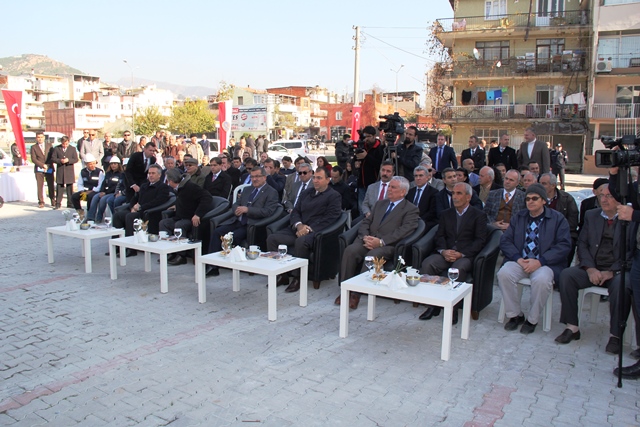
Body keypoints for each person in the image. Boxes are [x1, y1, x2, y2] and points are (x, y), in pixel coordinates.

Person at [555, 184, 635, 354]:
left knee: (622, 285)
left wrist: (612, 272)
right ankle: (572, 327)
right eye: (601, 196)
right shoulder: (592, 216)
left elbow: (631, 252)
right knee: (567, 275)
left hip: (617, 271)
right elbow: (582, 244)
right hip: (593, 267)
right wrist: (590, 268)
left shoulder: (629, 219)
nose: (604, 200)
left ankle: (615, 335)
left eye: (609, 196)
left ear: (619, 199)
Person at [497, 184, 571, 334]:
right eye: (528, 199)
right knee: (503, 274)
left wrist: (540, 261)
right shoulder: (519, 217)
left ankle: (532, 319)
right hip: (521, 261)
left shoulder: (557, 219)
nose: (530, 202)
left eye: (535, 198)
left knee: (542, 280)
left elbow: (564, 246)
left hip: (545, 263)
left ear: (544, 200)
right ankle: (515, 315)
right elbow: (505, 241)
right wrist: (517, 258)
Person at [337, 176, 420, 309]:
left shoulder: (410, 209)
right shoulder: (380, 203)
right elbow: (365, 222)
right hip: (368, 239)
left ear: (403, 192)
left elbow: (404, 231)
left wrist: (381, 242)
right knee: (350, 250)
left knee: (372, 255)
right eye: (389, 186)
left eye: (393, 187)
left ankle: (356, 294)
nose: (389, 189)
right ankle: (345, 290)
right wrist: (365, 237)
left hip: (387, 246)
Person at [418, 182, 487, 323]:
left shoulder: (478, 215)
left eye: (459, 193)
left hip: (465, 255)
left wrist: (461, 254)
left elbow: (479, 241)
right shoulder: (446, 214)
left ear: (468, 197)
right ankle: (432, 305)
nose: (454, 197)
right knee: (428, 264)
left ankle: (453, 309)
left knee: (457, 269)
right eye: (453, 193)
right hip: (446, 252)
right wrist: (443, 251)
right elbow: (440, 236)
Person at [266, 167, 342, 293]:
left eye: (319, 178)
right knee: (272, 239)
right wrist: (299, 225)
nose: (315, 181)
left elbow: (331, 218)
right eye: (314, 177)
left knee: (301, 242)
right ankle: (282, 275)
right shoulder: (307, 192)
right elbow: (296, 211)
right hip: (298, 228)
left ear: (328, 180)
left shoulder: (334, 196)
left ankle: (298, 277)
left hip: (317, 232)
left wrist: (309, 229)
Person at [206, 167, 280, 276]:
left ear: (264, 177)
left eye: (257, 177)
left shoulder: (271, 192)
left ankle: (234, 263)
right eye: (252, 177)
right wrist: (236, 209)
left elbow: (267, 211)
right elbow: (236, 203)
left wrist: (248, 209)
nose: (254, 179)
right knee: (218, 232)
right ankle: (212, 266)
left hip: (252, 224)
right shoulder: (247, 189)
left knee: (233, 236)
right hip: (237, 221)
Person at [112, 164, 172, 256]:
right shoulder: (144, 185)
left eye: (153, 173)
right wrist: (132, 207)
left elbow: (158, 202)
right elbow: (135, 198)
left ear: (159, 175)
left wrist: (140, 207)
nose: (150, 175)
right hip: (136, 209)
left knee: (130, 216)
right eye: (149, 173)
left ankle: (131, 249)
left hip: (147, 212)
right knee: (118, 215)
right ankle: (117, 246)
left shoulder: (163, 187)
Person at [160, 169, 214, 265]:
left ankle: (181, 255)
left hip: (190, 217)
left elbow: (207, 197)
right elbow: (185, 200)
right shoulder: (178, 188)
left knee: (179, 226)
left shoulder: (190, 187)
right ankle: (169, 251)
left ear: (171, 181)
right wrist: (177, 205)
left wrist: (198, 214)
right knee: (164, 223)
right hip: (180, 215)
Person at [539, 173, 579, 266]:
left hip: (562, 233)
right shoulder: (536, 198)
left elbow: (572, 223)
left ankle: (563, 268)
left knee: (570, 241)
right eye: (539, 183)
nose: (540, 186)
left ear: (553, 185)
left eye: (544, 184)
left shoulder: (567, 199)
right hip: (540, 232)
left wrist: (556, 232)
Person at [355, 126, 385, 213]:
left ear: (374, 136)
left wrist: (367, 157)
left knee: (373, 208)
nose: (366, 139)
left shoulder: (379, 148)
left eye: (368, 136)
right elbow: (355, 159)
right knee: (362, 208)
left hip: (373, 182)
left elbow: (380, 164)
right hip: (361, 183)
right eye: (365, 136)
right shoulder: (362, 146)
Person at [87, 156, 124, 223]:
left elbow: (116, 186)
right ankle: (90, 217)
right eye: (112, 164)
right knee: (95, 197)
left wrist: (105, 193)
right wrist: (102, 191)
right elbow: (104, 183)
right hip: (105, 192)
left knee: (103, 200)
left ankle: (99, 218)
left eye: (115, 164)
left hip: (112, 192)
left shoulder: (121, 174)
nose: (113, 165)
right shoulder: (108, 173)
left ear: (118, 164)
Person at [406, 165, 438, 233]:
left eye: (421, 176)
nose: (418, 178)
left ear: (427, 177)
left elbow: (432, 212)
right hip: (408, 223)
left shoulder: (433, 192)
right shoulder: (410, 192)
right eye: (416, 176)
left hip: (424, 224)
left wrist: (418, 220)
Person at [71, 154, 104, 218]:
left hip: (95, 191)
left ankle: (90, 214)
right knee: (74, 197)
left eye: (94, 163)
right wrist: (81, 191)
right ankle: (80, 212)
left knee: (90, 197)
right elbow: (79, 183)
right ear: (86, 164)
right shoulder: (83, 172)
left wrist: (92, 191)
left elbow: (101, 185)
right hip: (85, 191)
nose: (92, 165)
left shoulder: (99, 172)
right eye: (90, 164)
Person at [50, 135, 79, 209]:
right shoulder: (57, 148)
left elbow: (75, 159)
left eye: (66, 144)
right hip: (60, 170)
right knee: (60, 188)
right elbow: (53, 158)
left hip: (69, 170)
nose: (65, 146)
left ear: (68, 142)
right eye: (63, 144)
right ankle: (58, 203)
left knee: (69, 188)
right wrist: (60, 161)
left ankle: (70, 203)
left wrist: (68, 160)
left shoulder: (72, 149)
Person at [30, 131, 55, 208]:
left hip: (49, 168)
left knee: (51, 185)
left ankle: (53, 200)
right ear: (36, 138)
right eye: (38, 137)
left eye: (41, 137)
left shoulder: (49, 145)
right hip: (39, 169)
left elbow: (52, 156)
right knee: (40, 186)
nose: (40, 139)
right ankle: (41, 201)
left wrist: (47, 165)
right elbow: (33, 159)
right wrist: (42, 165)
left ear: (44, 138)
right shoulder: (33, 147)